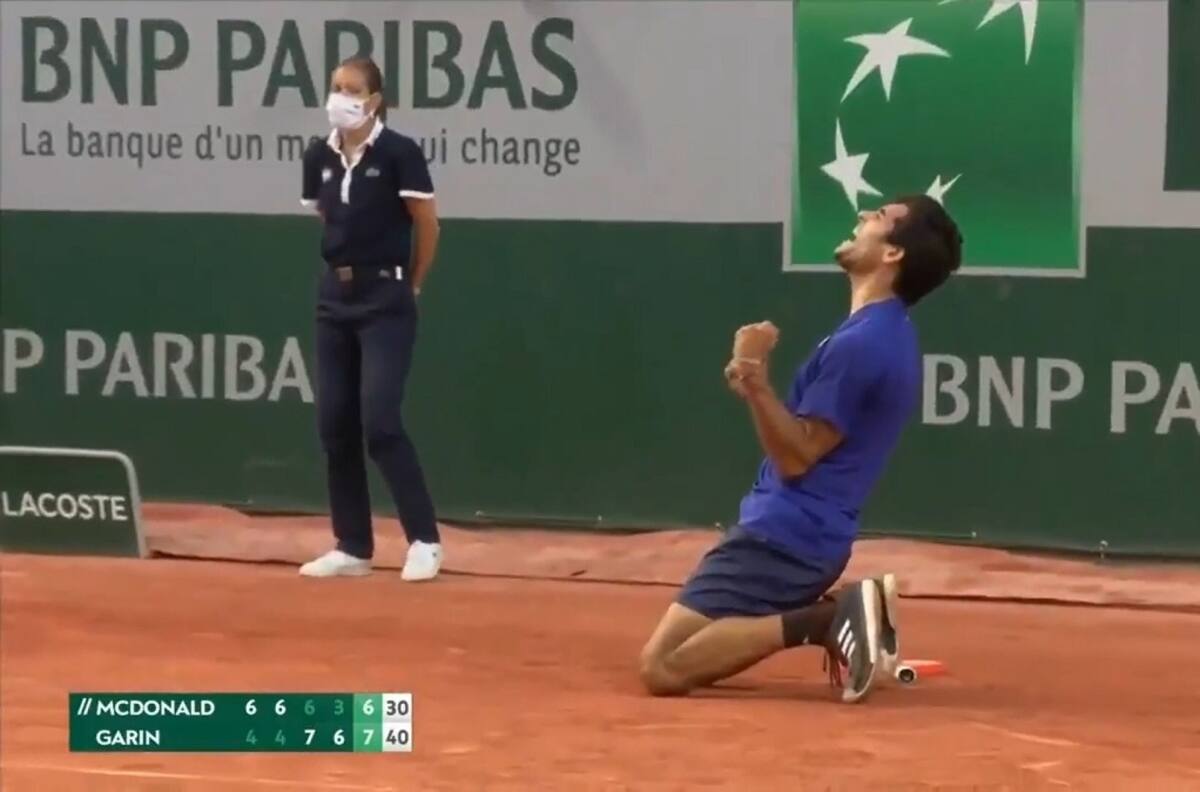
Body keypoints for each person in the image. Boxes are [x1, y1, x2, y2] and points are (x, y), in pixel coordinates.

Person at [638, 195, 962, 703]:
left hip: (785, 537)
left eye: (877, 217)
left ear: (894, 253)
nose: (862, 218)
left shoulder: (864, 344)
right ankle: (823, 617)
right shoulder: (881, 333)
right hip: (800, 536)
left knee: (663, 669)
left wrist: (753, 378)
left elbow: (797, 456)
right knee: (694, 656)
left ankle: (826, 619)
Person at [297, 57, 443, 582]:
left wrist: (413, 283)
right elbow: (327, 214)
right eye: (336, 87)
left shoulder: (401, 153)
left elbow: (427, 224)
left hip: (387, 298)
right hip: (333, 298)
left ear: (375, 100)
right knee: (334, 424)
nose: (341, 97)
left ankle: (424, 540)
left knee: (379, 422)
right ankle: (353, 545)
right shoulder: (318, 154)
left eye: (352, 89)